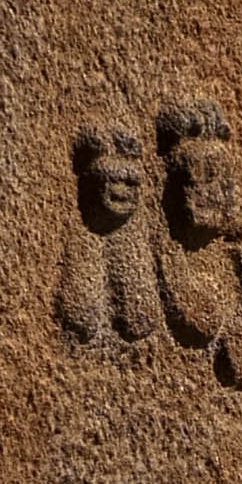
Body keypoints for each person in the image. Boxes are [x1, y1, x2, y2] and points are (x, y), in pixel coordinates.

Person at [154, 101, 242, 391]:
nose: (205, 194)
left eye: (218, 179)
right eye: (195, 181)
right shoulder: (163, 237)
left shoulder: (240, 230)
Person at [54, 122, 157, 347]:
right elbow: (78, 313)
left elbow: (141, 318)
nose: (123, 191)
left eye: (132, 184)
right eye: (114, 182)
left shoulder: (134, 246)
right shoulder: (80, 240)